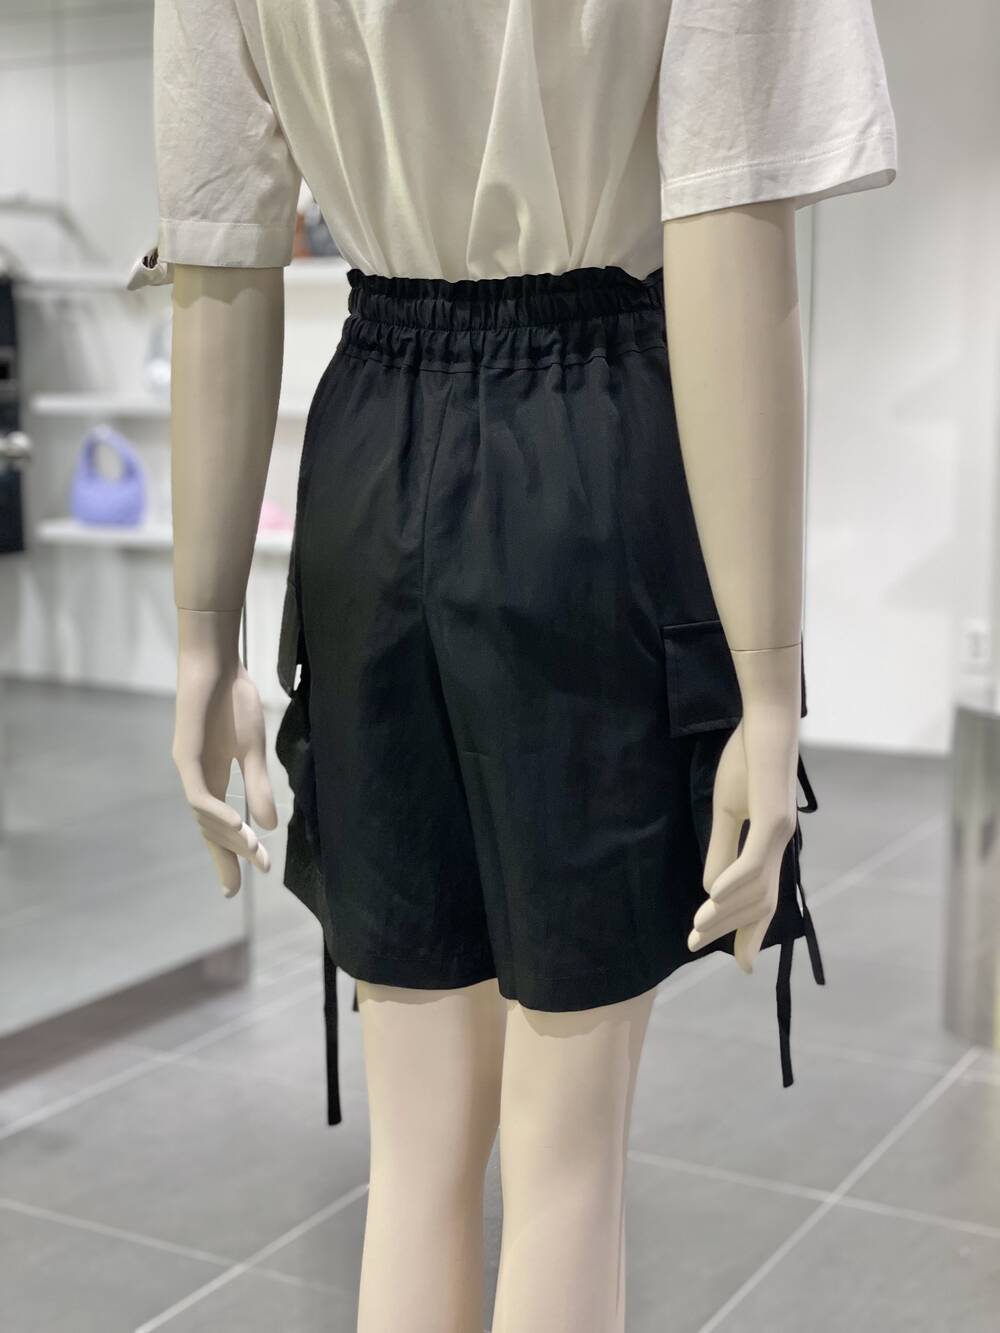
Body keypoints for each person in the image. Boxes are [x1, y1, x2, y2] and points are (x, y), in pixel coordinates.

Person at [131, 2, 897, 1328]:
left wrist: (205, 637)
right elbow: (728, 215)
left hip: (369, 457)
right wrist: (769, 687)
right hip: (588, 449)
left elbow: (221, 241)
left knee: (416, 1162)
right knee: (565, 1169)